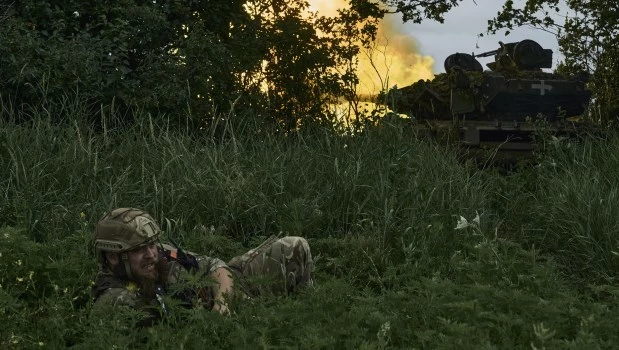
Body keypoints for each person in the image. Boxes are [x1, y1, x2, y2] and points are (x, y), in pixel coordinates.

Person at [91, 207, 313, 322]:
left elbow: (215, 265)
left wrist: (222, 303)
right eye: (139, 249)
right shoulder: (116, 301)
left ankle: (308, 311)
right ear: (113, 257)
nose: (151, 254)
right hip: (213, 323)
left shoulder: (162, 253)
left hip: (227, 292)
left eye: (151, 244)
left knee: (294, 246)